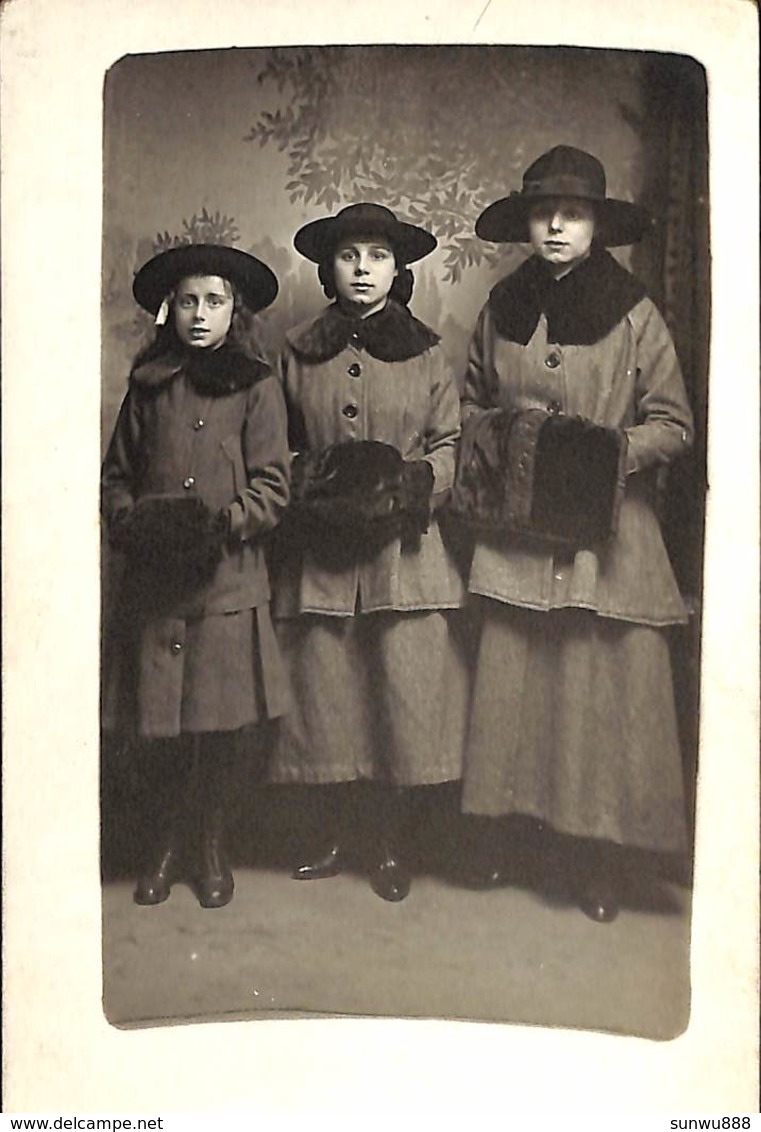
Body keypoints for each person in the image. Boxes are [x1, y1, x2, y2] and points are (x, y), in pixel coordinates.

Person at [454, 146, 694, 922]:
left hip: (606, 536)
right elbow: (463, 409)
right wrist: (514, 444)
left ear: (596, 224)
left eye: (574, 212)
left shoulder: (634, 313)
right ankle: (512, 840)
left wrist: (598, 455)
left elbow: (673, 425)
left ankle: (596, 857)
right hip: (520, 531)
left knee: (594, 688)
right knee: (521, 683)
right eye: (541, 212)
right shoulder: (501, 307)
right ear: (526, 222)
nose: (555, 224)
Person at [269, 202, 468, 902]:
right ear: (329, 268)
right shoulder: (294, 351)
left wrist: (416, 485)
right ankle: (330, 837)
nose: (362, 269)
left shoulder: (427, 351)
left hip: (404, 555)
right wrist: (311, 484)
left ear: (397, 268)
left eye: (377, 256)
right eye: (349, 256)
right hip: (320, 555)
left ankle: (387, 844)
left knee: (400, 696)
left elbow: (449, 443)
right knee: (325, 697)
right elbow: (274, 444)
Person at [101, 243, 290, 908]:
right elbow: (116, 477)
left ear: (234, 310)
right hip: (157, 587)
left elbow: (273, 486)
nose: (200, 314)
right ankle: (165, 843)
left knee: (217, 728)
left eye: (214, 301)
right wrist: (133, 525)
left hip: (227, 585)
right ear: (169, 310)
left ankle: (209, 846)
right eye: (188, 301)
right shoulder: (147, 385)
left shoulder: (258, 386)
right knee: (162, 730)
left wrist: (220, 525)